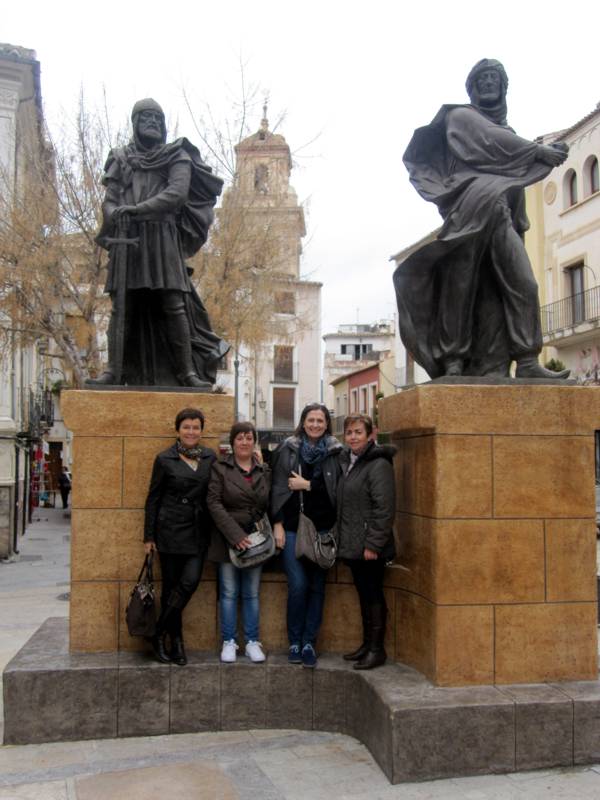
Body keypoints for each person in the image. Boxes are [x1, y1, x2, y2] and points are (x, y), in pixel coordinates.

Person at [394, 59, 570, 380]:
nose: (489, 83)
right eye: (482, 79)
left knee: (523, 284)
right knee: (460, 289)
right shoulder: (461, 118)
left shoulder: (511, 137)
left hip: (500, 214)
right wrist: (537, 152)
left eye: (494, 78)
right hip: (470, 211)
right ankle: (453, 361)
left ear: (503, 87)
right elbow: (490, 142)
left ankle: (527, 359)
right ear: (472, 88)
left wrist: (520, 220)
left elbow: (512, 181)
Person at [91, 98, 229, 388]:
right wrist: (114, 214)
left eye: (157, 118)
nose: (152, 122)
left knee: (173, 303)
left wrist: (136, 210)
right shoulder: (119, 157)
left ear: (164, 125)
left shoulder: (177, 154)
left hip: (163, 237)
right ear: (135, 123)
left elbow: (177, 193)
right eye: (145, 117)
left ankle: (187, 373)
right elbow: (110, 200)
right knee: (121, 307)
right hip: (127, 239)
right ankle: (113, 371)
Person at [271, 403, 342, 668]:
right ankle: (294, 641)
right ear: (303, 422)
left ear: (326, 424)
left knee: (317, 588)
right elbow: (276, 486)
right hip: (290, 529)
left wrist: (308, 485)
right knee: (298, 586)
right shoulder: (288, 448)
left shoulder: (336, 451)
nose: (315, 425)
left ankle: (310, 642)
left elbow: (338, 491)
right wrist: (277, 522)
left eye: (320, 421)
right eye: (310, 420)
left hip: (323, 530)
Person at [143, 407, 215, 665]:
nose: (191, 432)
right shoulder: (165, 459)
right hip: (170, 530)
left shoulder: (209, 457)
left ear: (201, 431)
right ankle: (177, 644)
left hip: (197, 531)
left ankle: (158, 632)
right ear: (178, 430)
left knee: (189, 583)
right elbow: (153, 498)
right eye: (187, 427)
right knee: (171, 589)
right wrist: (148, 537)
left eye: (196, 427)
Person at [207, 422, 270, 663]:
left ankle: (253, 641)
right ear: (232, 442)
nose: (244, 442)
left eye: (249, 438)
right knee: (229, 592)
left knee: (252, 593)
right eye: (240, 438)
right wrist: (235, 535)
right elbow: (213, 502)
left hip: (255, 540)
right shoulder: (220, 468)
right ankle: (229, 641)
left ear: (254, 442)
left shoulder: (263, 470)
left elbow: (267, 503)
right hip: (227, 539)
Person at [337, 414, 396, 670]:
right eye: (349, 432)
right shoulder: (352, 462)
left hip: (370, 547)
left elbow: (384, 508)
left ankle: (376, 649)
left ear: (371, 434)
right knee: (363, 594)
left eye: (358, 432)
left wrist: (373, 544)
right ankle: (366, 644)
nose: (353, 437)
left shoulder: (378, 464)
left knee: (373, 595)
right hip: (354, 544)